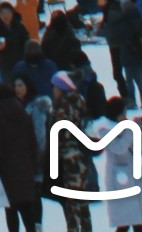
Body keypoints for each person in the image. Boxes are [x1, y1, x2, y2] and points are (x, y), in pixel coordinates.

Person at [0, 79, 45, 232]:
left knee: (10, 210)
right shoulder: (23, 112)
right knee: (27, 209)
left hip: (7, 173)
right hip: (25, 170)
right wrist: (34, 166)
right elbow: (32, 142)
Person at [48, 77, 97, 232]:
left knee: (72, 203)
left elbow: (61, 134)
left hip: (69, 159)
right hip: (82, 158)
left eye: (55, 88)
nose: (53, 91)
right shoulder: (79, 102)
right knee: (82, 202)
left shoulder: (63, 108)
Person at [99, 97, 142, 232]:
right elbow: (119, 148)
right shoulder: (104, 130)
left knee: (132, 219)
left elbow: (139, 150)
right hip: (118, 181)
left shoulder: (124, 128)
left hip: (129, 179)